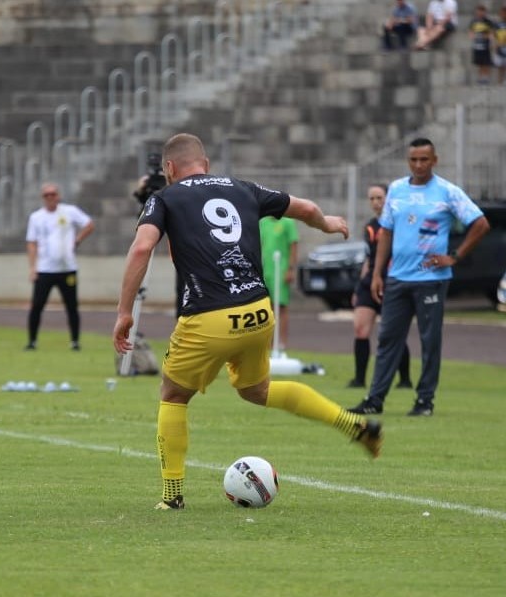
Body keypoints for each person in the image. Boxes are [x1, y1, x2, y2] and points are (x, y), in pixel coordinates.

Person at [112, 133, 383, 510]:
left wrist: (125, 312)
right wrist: (328, 224)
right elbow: (304, 208)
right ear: (205, 164)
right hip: (258, 310)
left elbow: (142, 247)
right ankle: (352, 424)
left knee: (173, 395)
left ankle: (172, 497)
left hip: (208, 316)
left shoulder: (165, 197)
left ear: (169, 168)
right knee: (257, 390)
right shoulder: (243, 188)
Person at [348, 138, 490, 417]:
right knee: (388, 338)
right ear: (408, 161)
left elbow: (481, 223)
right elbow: (386, 232)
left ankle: (425, 400)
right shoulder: (398, 190)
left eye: (424, 159)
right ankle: (375, 399)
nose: (419, 165)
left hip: (431, 278)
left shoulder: (447, 191)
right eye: (414, 159)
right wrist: (378, 273)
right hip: (397, 277)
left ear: (434, 160)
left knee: (429, 340)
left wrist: (455, 256)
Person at [348, 184, 412, 390]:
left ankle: (405, 379)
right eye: (372, 198)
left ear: (388, 199)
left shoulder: (398, 224)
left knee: (392, 332)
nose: (376, 202)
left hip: (391, 282)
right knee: (360, 329)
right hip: (370, 283)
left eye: (379, 198)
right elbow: (369, 258)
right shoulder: (370, 226)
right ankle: (359, 379)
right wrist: (359, 287)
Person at [25, 182, 95, 351]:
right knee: (37, 306)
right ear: (43, 198)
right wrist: (32, 267)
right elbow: (32, 243)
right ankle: (32, 341)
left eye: (53, 194)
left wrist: (77, 240)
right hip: (45, 270)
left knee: (72, 306)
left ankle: (75, 342)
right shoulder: (36, 217)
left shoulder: (69, 211)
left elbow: (89, 224)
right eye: (46, 195)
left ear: (58, 195)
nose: (50, 198)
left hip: (67, 269)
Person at [259, 215, 298, 349]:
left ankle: (282, 342)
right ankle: (269, 342)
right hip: (266, 270)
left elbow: (293, 245)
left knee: (281, 306)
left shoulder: (288, 222)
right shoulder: (263, 222)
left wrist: (291, 269)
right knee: (267, 307)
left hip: (280, 269)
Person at [469, 5, 496, 85]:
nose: (480, 13)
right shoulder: (474, 21)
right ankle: (480, 78)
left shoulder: (488, 22)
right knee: (479, 62)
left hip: (485, 45)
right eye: (478, 11)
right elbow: (471, 32)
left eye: (482, 11)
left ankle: (486, 77)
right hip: (477, 45)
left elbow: (491, 33)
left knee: (486, 62)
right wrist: (473, 36)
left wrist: (488, 38)